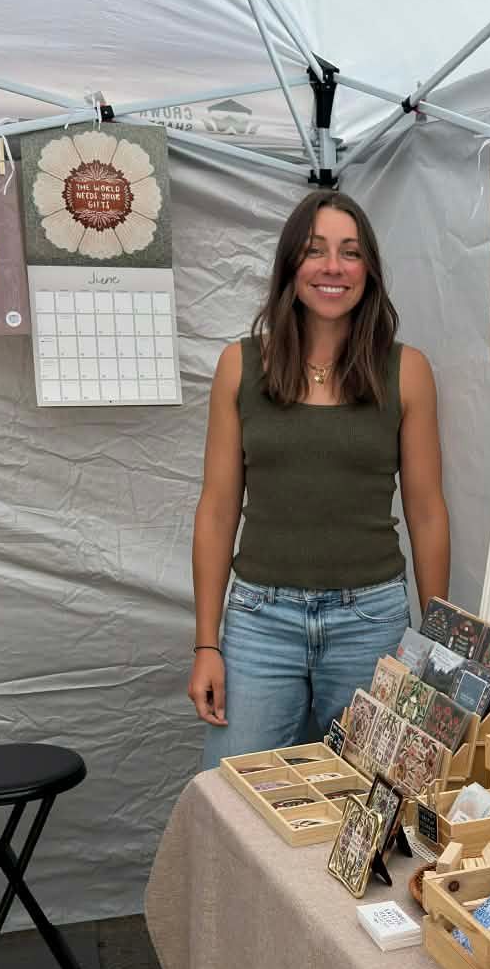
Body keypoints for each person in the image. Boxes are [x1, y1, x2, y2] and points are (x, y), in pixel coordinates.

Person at [189, 187, 450, 764]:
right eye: (316, 250)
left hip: (372, 623)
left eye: (351, 252)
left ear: (369, 271)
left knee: (372, 805)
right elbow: (216, 509)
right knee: (234, 801)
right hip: (260, 623)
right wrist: (207, 642)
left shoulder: (407, 372)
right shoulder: (240, 366)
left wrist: (436, 643)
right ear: (290, 265)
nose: (334, 267)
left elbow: (427, 511)